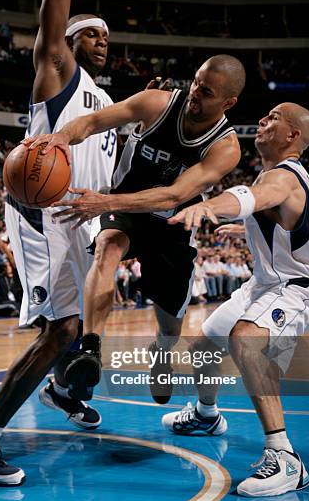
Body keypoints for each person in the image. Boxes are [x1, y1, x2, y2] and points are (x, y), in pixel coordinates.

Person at [0, 0, 136, 487]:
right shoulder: (58, 73)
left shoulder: (107, 104)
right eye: (92, 33)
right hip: (44, 215)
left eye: (107, 36)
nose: (102, 40)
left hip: (83, 221)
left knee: (87, 320)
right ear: (69, 41)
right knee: (61, 331)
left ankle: (58, 391)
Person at [24, 54, 246, 407]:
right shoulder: (157, 102)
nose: (194, 93)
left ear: (228, 102)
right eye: (195, 83)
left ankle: (162, 352)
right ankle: (91, 349)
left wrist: (106, 203)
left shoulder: (226, 147)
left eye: (206, 92)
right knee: (108, 247)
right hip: (126, 210)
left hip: (173, 223)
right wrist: (63, 137)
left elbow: (175, 195)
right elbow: (94, 120)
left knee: (170, 327)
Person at [162, 102, 309, 497]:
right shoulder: (277, 177)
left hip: (300, 288)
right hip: (265, 283)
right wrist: (245, 230)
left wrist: (208, 206)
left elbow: (251, 196)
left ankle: (286, 458)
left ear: (293, 136)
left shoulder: (284, 177)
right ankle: (206, 415)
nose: (262, 120)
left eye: (273, 118)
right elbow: (282, 220)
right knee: (205, 344)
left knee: (246, 339)